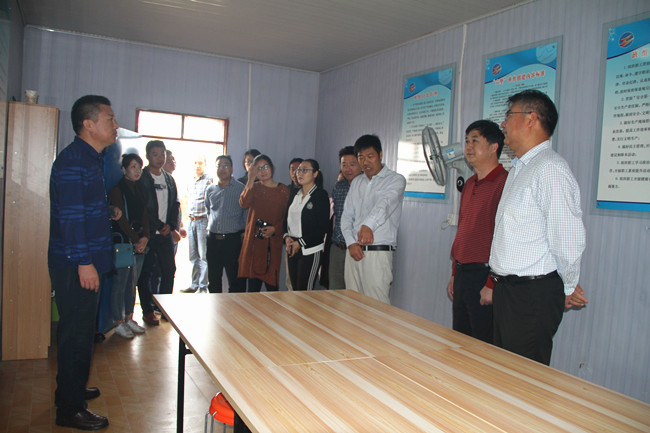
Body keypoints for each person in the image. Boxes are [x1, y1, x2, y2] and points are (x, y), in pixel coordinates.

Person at [489, 89, 588, 365]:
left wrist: (568, 286)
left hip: (531, 296)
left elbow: (567, 238)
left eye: (509, 115)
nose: (503, 124)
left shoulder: (550, 169)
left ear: (531, 119)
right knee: (504, 372)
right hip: (509, 292)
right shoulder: (520, 168)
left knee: (523, 378)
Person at [49, 95, 118, 430]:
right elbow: (71, 218)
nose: (115, 125)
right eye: (110, 119)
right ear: (89, 125)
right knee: (76, 336)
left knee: (79, 332)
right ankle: (69, 409)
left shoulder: (90, 158)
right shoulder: (73, 161)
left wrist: (107, 212)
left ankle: (70, 389)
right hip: (76, 263)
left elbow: (82, 208)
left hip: (84, 259)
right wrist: (84, 263)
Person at [446, 120, 507, 344]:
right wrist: (455, 273)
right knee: (460, 340)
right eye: (467, 141)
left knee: (483, 344)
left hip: (485, 274)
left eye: (475, 141)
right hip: (463, 273)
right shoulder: (470, 183)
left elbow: (503, 238)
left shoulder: (504, 183)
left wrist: (492, 283)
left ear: (493, 147)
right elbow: (463, 230)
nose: (468, 147)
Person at [341, 135, 406, 303]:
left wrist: (367, 225)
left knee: (376, 308)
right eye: (361, 157)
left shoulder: (396, 180)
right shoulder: (357, 182)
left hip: (378, 253)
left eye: (370, 156)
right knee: (351, 305)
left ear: (380, 155)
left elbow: (384, 205)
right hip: (353, 252)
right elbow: (346, 216)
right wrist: (350, 243)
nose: (365, 162)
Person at [137, 140, 180, 325]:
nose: (160, 158)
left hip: (165, 234)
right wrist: (159, 225)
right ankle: (147, 310)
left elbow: (175, 205)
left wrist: (170, 225)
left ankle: (164, 307)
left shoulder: (168, 179)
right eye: (155, 154)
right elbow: (142, 207)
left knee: (169, 269)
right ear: (148, 156)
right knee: (146, 273)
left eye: (162, 154)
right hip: (147, 234)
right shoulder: (142, 178)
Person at [109, 153, 150, 338]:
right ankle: (118, 322)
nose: (137, 170)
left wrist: (145, 237)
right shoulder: (117, 190)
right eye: (133, 167)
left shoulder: (140, 188)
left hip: (139, 242)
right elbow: (121, 219)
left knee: (132, 283)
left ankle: (129, 318)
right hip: (125, 243)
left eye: (139, 167)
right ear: (124, 169)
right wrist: (135, 239)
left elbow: (145, 215)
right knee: (120, 283)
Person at [238, 154, 290, 292]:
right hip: (255, 243)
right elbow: (244, 204)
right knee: (253, 288)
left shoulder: (283, 190)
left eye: (265, 167)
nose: (263, 171)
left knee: (272, 285)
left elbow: (288, 217)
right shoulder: (254, 187)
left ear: (271, 167)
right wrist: (250, 179)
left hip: (273, 242)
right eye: (259, 168)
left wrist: (275, 228)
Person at [283, 159, 330, 290]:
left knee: (304, 292)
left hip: (310, 250)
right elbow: (285, 220)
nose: (299, 173)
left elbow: (322, 227)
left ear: (315, 174)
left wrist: (300, 243)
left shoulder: (320, 195)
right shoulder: (295, 194)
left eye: (305, 170)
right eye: (299, 170)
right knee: (294, 290)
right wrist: (286, 237)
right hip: (292, 248)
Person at [205, 155, 248, 293]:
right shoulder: (210, 189)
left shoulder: (241, 189)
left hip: (232, 241)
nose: (222, 169)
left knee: (235, 281)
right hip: (213, 240)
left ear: (232, 169)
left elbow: (246, 214)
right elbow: (209, 211)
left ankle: (235, 307)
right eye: (219, 165)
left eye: (226, 165)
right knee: (213, 280)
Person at [329, 146, 362, 290]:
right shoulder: (339, 187)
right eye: (344, 165)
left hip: (357, 249)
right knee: (335, 290)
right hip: (338, 247)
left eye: (352, 164)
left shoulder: (367, 186)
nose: (348, 169)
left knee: (355, 292)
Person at [181, 155, 213, 293]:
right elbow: (186, 200)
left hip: (203, 221)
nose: (197, 165)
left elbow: (211, 202)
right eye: (195, 163)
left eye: (200, 163)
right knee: (193, 256)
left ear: (205, 164)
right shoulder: (190, 181)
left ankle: (203, 286)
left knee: (203, 256)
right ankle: (194, 284)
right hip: (191, 221)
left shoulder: (209, 180)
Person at [284, 157, 303, 290]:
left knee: (302, 284)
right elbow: (282, 217)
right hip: (289, 241)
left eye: (299, 169)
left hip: (307, 243)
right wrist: (285, 236)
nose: (295, 172)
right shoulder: (285, 191)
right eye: (292, 169)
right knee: (290, 281)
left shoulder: (311, 192)